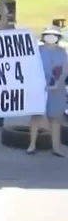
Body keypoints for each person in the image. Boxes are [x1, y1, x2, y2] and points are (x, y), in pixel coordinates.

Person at [29, 26, 66, 157]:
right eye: (48, 34)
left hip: (56, 89)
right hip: (39, 87)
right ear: (44, 37)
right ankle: (32, 145)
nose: (51, 37)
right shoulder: (36, 50)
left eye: (54, 35)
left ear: (58, 38)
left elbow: (65, 69)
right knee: (36, 116)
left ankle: (56, 147)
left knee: (55, 119)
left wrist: (58, 83)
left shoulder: (62, 52)